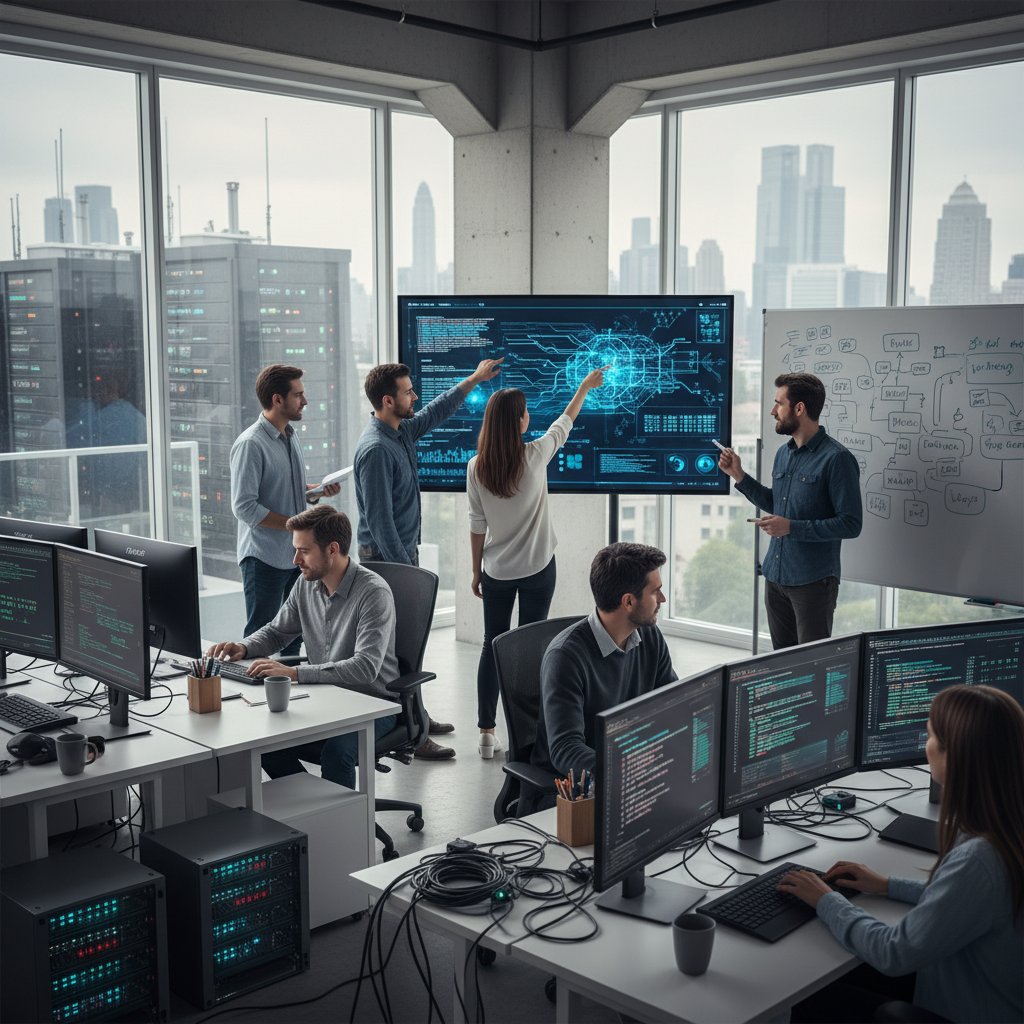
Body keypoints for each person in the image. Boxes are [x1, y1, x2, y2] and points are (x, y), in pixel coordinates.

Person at [777, 685, 1024, 1023]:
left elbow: (893, 952)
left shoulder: (981, 859)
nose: (926, 746)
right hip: (987, 996)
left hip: (963, 1011)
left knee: (810, 998)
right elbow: (969, 903)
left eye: (930, 736)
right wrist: (887, 885)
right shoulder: (1006, 827)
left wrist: (825, 900)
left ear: (954, 756)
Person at [353, 357, 502, 759]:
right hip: (387, 563)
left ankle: (417, 717)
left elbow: (437, 410)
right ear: (388, 401)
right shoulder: (376, 450)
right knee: (400, 651)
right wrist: (407, 573)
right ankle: (413, 736)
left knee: (410, 648)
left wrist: (473, 378)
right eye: (407, 392)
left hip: (400, 557)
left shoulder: (399, 432)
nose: (415, 396)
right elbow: (380, 524)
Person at [467, 366, 608, 759]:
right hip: (538, 570)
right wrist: (584, 386)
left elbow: (477, 525)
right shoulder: (534, 456)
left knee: (491, 645)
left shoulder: (476, 467)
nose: (530, 415)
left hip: (496, 571)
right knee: (530, 650)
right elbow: (565, 422)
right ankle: (525, 736)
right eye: (526, 411)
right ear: (519, 421)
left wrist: (476, 571)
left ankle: (485, 733)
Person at [206, 505, 398, 791]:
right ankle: (310, 804)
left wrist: (296, 674)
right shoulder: (306, 584)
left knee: (337, 753)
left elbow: (366, 668)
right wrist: (243, 648)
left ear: (332, 549)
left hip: (373, 703)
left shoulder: (373, 593)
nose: (295, 559)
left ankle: (337, 818)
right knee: (262, 740)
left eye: (303, 551)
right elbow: (277, 631)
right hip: (325, 695)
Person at [717, 372, 862, 650]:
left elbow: (850, 524)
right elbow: (778, 504)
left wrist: (791, 528)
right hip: (775, 577)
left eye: (779, 403)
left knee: (810, 664)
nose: (773, 411)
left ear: (799, 408)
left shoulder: (837, 459)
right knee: (782, 664)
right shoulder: (784, 453)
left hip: (813, 583)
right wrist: (738, 475)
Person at [531, 542, 677, 778]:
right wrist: (631, 768)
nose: (662, 599)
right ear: (628, 602)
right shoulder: (565, 657)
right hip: (576, 786)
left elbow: (674, 703)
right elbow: (566, 750)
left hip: (630, 771)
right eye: (655, 592)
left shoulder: (649, 635)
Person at [230, 364, 340, 657]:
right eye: (298, 395)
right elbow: (244, 506)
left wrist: (315, 492)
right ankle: (254, 687)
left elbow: (286, 490)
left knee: (295, 633)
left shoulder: (290, 436)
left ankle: (291, 684)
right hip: (263, 557)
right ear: (277, 399)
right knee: (259, 636)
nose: (305, 401)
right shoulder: (251, 444)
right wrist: (296, 524)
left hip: (295, 557)